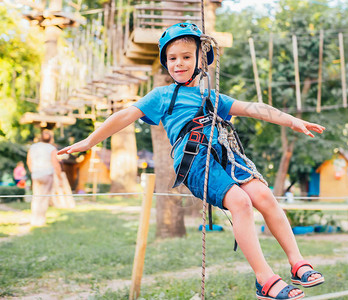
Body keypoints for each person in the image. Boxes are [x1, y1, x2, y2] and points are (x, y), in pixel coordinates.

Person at [58, 23, 326, 300]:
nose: (179, 63)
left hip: (224, 153)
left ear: (201, 59)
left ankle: (297, 263)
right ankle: (265, 279)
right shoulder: (161, 96)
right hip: (194, 159)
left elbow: (253, 108)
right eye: (172, 58)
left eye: (186, 56)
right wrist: (90, 140)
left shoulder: (212, 97)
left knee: (264, 196)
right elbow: (125, 115)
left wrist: (292, 120)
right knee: (241, 203)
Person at [27, 129, 62, 226]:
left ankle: (34, 220)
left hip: (36, 174)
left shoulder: (33, 147)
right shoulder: (51, 148)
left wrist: (33, 171)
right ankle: (41, 220)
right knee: (44, 198)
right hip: (47, 174)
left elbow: (29, 161)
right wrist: (60, 178)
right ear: (50, 138)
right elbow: (56, 164)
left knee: (36, 197)